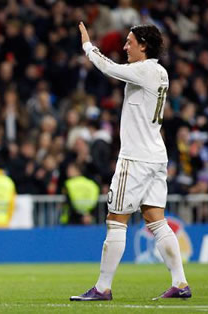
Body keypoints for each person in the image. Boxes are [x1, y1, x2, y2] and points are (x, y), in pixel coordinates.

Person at [70, 22, 191, 301]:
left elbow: (110, 68)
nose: (125, 47)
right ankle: (180, 282)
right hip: (156, 156)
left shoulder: (145, 69)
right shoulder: (160, 72)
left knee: (115, 220)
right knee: (156, 220)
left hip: (135, 158)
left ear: (144, 45)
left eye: (129, 42)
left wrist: (88, 46)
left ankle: (102, 288)